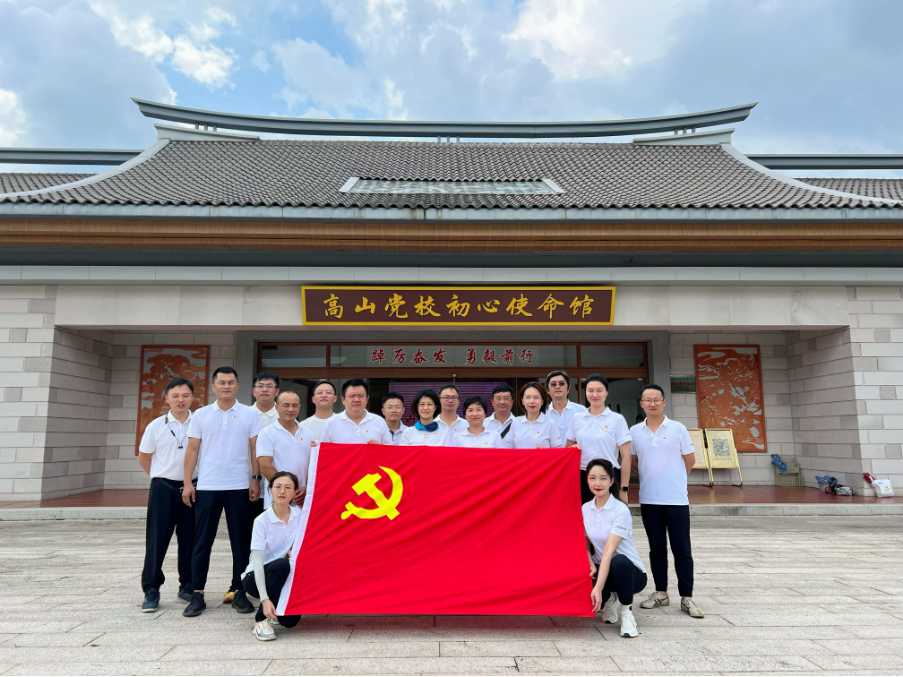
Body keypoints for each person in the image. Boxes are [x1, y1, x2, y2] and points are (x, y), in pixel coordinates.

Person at [181, 366, 262, 618]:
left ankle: (238, 590)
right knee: (202, 541)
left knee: (241, 541)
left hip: (239, 485)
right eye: (222, 382)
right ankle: (197, 593)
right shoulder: (201, 415)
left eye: (231, 382)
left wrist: (255, 479)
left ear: (237, 386)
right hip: (208, 486)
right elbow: (192, 450)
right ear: (213, 386)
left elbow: (255, 449)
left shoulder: (250, 414)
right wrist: (188, 482)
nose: (226, 386)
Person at [631, 384, 703, 619]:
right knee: (657, 549)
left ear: (664, 402)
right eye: (647, 400)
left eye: (656, 399)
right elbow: (634, 461)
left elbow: (689, 460)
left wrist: (674, 478)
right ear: (641, 404)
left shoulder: (678, 429)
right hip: (649, 499)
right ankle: (661, 592)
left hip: (676, 499)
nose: (652, 403)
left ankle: (686, 597)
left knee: (682, 549)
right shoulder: (635, 431)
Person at [137, 377, 197, 612]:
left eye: (185, 395)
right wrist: (159, 477)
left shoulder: (199, 423)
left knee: (190, 540)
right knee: (157, 540)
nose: (181, 400)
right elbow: (144, 457)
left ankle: (188, 586)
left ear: (192, 397)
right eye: (176, 396)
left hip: (193, 487)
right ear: (167, 399)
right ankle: (151, 589)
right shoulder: (156, 425)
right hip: (163, 488)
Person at [585, 458, 648, 639]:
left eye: (603, 478)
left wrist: (598, 587)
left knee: (618, 561)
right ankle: (610, 599)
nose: (597, 483)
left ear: (612, 481)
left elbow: (608, 551)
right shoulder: (585, 509)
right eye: (593, 478)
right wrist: (589, 562)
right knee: (581, 574)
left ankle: (626, 611)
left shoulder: (620, 510)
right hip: (603, 567)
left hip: (631, 573)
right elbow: (585, 544)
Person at [242, 470, 303, 641]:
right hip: (255, 577)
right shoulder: (261, 521)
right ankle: (261, 620)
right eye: (277, 487)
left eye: (287, 487)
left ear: (294, 492)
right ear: (270, 490)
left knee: (290, 621)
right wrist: (264, 599)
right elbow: (257, 563)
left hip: (283, 575)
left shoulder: (300, 516)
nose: (282, 491)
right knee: (281, 565)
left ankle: (276, 609)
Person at [566, 374, 632, 505]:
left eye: (599, 390)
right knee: (584, 515)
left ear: (606, 392)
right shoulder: (577, 418)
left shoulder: (617, 419)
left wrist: (624, 489)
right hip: (582, 476)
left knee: (608, 515)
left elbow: (626, 457)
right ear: (586, 392)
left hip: (608, 476)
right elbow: (568, 449)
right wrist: (571, 448)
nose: (594, 394)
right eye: (590, 390)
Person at [256, 391, 315, 510]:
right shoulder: (267, 433)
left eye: (295, 405)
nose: (291, 409)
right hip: (277, 499)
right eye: (286, 405)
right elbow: (265, 466)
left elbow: (312, 464)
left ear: (299, 407)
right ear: (277, 407)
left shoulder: (307, 432)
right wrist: (288, 490)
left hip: (302, 499)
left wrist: (307, 488)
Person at [320, 379, 392, 445]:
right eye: (352, 396)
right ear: (343, 400)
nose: (356, 400)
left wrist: (379, 448)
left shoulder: (379, 422)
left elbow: (390, 451)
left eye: (361, 396)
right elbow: (323, 451)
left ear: (367, 399)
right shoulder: (330, 423)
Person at [506, 382, 563, 449]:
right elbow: (509, 450)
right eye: (528, 397)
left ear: (542, 401)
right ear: (522, 400)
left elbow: (558, 451)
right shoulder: (515, 422)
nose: (532, 401)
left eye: (536, 397)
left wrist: (543, 452)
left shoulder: (550, 423)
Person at [545, 371, 587, 443]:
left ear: (568, 388)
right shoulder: (542, 413)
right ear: (547, 390)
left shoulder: (581, 411)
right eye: (553, 384)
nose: (557, 386)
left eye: (561, 383)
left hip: (576, 450)